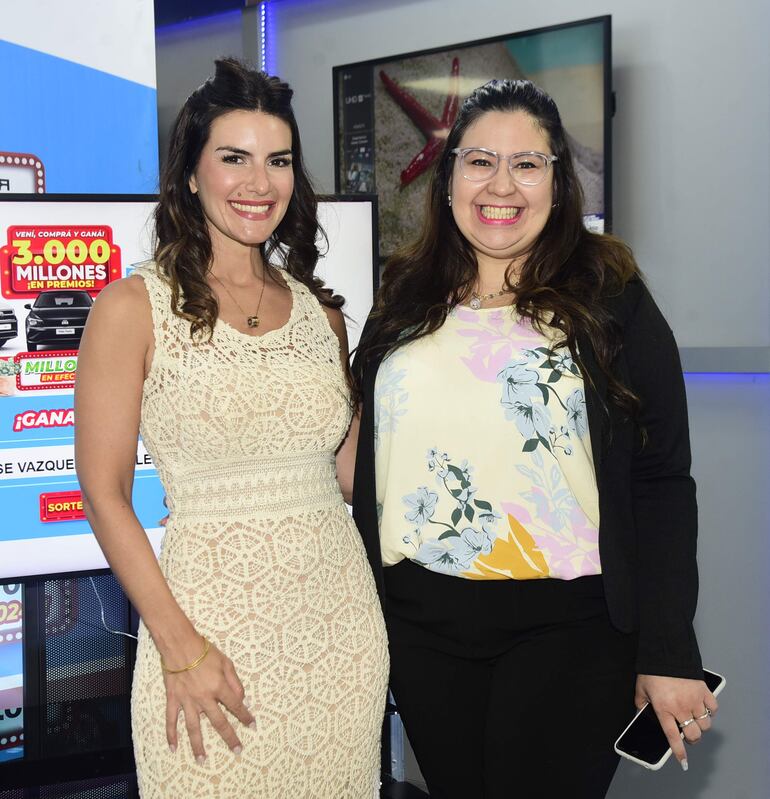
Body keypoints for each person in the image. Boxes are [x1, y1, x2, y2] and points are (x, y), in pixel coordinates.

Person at [351, 79, 717, 799]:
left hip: (571, 629)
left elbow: (662, 481)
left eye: (527, 164)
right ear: (448, 177)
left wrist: (668, 649)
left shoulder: (612, 297)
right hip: (421, 630)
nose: (502, 185)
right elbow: (372, 460)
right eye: (480, 161)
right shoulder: (401, 298)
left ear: (558, 182)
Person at [75, 58, 388, 798]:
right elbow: (103, 493)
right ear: (191, 173)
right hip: (204, 632)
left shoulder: (324, 316)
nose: (259, 182)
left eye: (278, 160)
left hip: (341, 632)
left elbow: (353, 476)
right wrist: (180, 647)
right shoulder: (130, 307)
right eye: (234, 157)